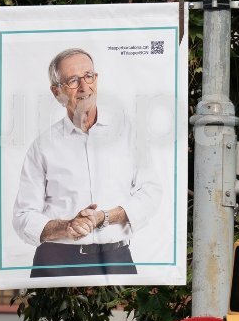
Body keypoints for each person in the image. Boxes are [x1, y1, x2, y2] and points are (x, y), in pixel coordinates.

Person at [12, 48, 161, 277]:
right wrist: (67, 227)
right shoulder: (42, 146)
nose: (84, 87)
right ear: (57, 92)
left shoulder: (128, 133)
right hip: (56, 262)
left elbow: (150, 192)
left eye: (88, 76)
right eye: (73, 80)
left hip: (116, 260)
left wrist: (107, 217)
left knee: (126, 315)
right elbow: (23, 217)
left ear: (96, 79)